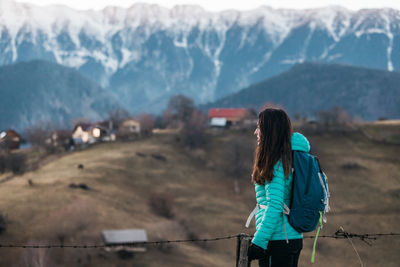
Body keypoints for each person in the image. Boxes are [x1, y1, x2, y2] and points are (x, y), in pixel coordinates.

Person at [247, 108, 311, 267]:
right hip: (293, 237)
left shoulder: (276, 162)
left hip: (278, 240)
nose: (256, 132)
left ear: (269, 131)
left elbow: (275, 205)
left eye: (259, 128)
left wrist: (259, 242)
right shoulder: (290, 158)